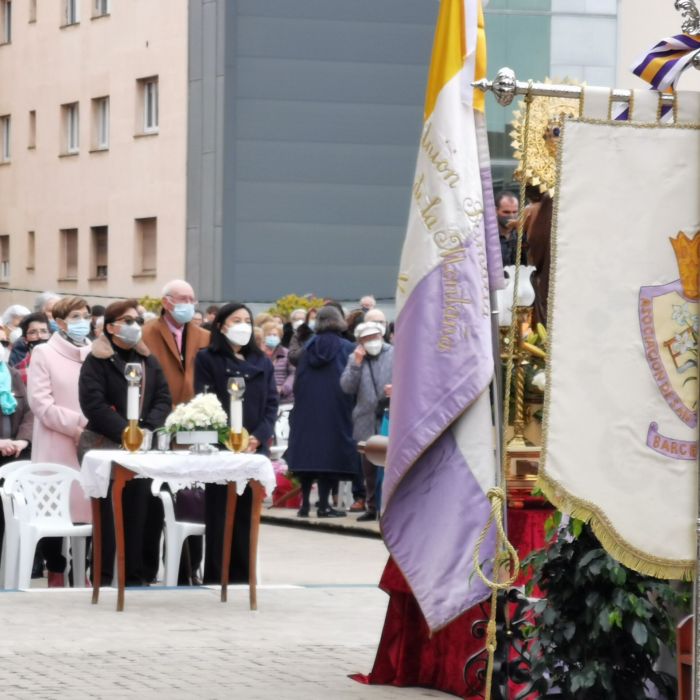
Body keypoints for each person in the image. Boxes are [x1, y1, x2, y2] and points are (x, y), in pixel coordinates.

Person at [79, 299, 172, 586]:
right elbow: (93, 404)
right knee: (108, 512)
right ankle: (104, 576)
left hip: (143, 447)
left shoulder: (147, 360)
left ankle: (136, 574)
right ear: (111, 327)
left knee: (143, 508)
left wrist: (144, 430)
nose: (134, 326)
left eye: (137, 320)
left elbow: (162, 398)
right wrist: (126, 432)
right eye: (127, 320)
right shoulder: (97, 361)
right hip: (105, 444)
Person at [194, 302, 278, 584]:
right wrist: (228, 437)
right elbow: (205, 402)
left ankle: (243, 577)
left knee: (246, 515)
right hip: (222, 450)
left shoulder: (263, 361)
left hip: (254, 448)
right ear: (221, 326)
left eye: (247, 320)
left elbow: (271, 405)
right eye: (235, 319)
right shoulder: (207, 359)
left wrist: (257, 437)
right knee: (220, 515)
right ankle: (217, 576)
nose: (242, 325)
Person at [142, 279, 210, 584]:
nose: (189, 304)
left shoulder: (204, 336)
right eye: (183, 299)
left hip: (195, 427)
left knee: (192, 499)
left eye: (193, 299)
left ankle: (187, 568)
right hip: (157, 425)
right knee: (155, 501)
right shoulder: (147, 334)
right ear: (167, 302)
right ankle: (145, 568)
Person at [27, 297, 93, 587]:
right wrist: (77, 426)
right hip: (57, 441)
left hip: (91, 442)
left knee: (90, 506)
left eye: (87, 315)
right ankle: (56, 569)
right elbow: (40, 403)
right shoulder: (44, 352)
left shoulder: (96, 352)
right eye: (76, 316)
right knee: (56, 507)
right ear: (61, 321)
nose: (83, 321)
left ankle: (87, 570)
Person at [285, 305, 358, 518]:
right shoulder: (347, 347)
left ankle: (305, 505)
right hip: (336, 408)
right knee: (329, 454)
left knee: (309, 454)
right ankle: (324, 505)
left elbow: (299, 378)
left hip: (307, 408)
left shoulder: (308, 347)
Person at [340, 322, 393, 521]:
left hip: (391, 416)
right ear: (360, 342)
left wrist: (397, 388)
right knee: (369, 466)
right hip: (365, 419)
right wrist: (356, 363)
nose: (372, 342)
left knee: (391, 463)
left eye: (375, 337)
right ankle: (371, 506)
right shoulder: (354, 359)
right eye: (367, 339)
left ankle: (390, 506)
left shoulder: (395, 354)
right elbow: (346, 387)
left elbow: (411, 378)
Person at [0, 325, 34, 581]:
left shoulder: (11, 374)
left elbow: (31, 412)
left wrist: (22, 440)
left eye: (3, 342)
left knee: (11, 520)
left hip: (15, 456)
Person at [261, 321, 294, 403]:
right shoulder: (258, 354)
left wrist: (283, 388)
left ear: (280, 337)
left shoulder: (287, 353)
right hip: (263, 397)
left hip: (284, 399)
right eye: (269, 334)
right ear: (263, 336)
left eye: (275, 335)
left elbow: (293, 373)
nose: (272, 337)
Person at [11, 312, 49, 382]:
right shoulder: (21, 364)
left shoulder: (59, 357)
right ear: (25, 338)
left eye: (44, 331)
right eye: (33, 332)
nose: (39, 336)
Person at [496, 191, 525, 266]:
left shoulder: (522, 235)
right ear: (496, 211)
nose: (511, 216)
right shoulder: (488, 236)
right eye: (506, 212)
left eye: (515, 212)